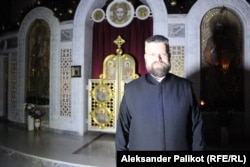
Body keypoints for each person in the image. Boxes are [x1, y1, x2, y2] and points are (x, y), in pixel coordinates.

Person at [115, 35, 205, 151]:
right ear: (145, 58)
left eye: (162, 54)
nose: (158, 58)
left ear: (169, 56)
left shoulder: (185, 87)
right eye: (152, 54)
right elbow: (122, 130)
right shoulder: (131, 89)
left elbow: (197, 128)